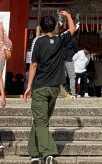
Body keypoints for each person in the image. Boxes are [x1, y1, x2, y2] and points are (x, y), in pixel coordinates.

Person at [24, 10, 76, 164]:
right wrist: (68, 16)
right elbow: (72, 29)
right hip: (54, 87)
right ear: (54, 28)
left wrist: (28, 86)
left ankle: (47, 153)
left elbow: (33, 64)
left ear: (40, 27)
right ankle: (34, 153)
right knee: (42, 119)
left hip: (40, 86)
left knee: (41, 120)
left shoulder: (38, 42)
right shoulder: (60, 40)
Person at [63, 33, 79, 98]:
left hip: (60, 59)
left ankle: (59, 91)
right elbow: (76, 50)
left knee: (62, 75)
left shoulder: (61, 39)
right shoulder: (72, 40)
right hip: (69, 59)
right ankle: (73, 93)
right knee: (72, 76)